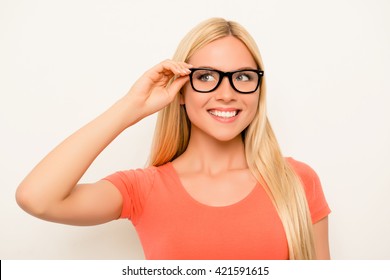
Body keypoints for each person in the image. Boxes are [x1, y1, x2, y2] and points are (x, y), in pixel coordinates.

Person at [16, 17, 330, 260]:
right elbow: (37, 198)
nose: (226, 93)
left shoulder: (297, 181)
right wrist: (131, 106)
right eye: (206, 77)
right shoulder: (143, 189)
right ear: (180, 90)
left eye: (243, 77)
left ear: (258, 89)